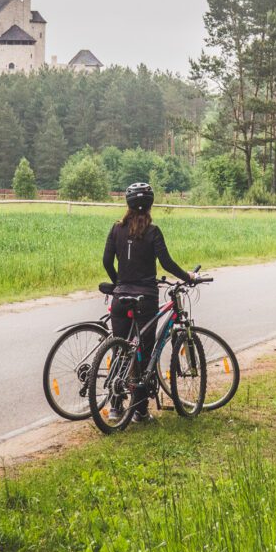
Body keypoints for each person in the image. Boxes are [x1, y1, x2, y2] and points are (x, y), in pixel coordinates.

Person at [103, 180, 194, 420]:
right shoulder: (152, 232)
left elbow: (106, 261)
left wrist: (119, 283)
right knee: (143, 351)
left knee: (120, 347)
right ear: (150, 205)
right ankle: (140, 411)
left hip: (120, 297)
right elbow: (166, 263)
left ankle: (115, 407)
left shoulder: (116, 229)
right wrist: (188, 277)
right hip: (146, 298)